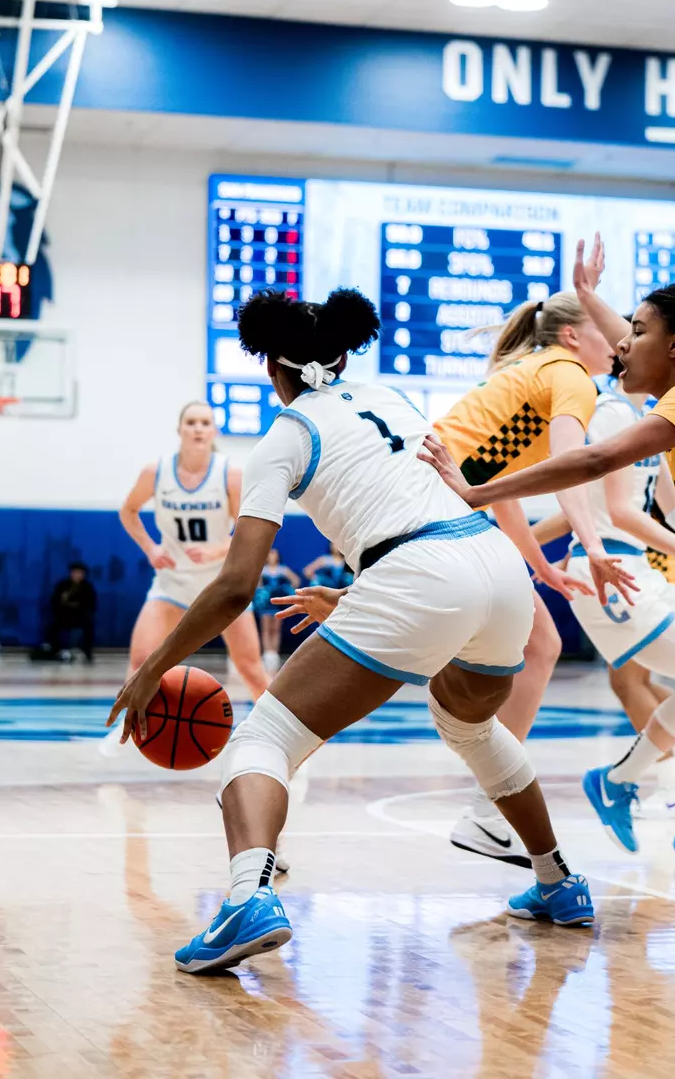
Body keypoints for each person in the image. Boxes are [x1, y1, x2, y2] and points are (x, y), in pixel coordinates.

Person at [109, 286, 609, 976]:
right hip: (496, 569)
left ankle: (248, 899)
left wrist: (146, 672)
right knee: (470, 725)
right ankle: (557, 881)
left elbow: (234, 584)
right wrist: (362, 593)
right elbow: (430, 502)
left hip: (419, 575)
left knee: (265, 737)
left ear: (270, 368)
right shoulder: (389, 395)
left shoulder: (282, 438)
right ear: (342, 356)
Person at [420, 240, 675, 979]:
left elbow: (597, 460)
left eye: (635, 330)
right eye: (618, 327)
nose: (621, 343)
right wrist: (587, 292)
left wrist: (479, 491)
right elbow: (636, 349)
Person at [430, 272, 637, 866]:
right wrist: (593, 545)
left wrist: (540, 567)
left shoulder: (536, 374)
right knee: (530, 644)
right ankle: (485, 809)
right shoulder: (570, 376)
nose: (621, 342)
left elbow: (503, 491)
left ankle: (486, 813)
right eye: (610, 329)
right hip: (427, 506)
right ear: (574, 336)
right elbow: (574, 464)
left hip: (437, 504)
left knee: (539, 642)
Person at [535, 355, 675, 863]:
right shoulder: (612, 411)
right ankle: (633, 785)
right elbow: (615, 512)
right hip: (613, 572)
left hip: (635, 567)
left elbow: (673, 507)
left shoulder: (653, 419)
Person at [101, 402, 268, 756]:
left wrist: (215, 550)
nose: (197, 428)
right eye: (191, 422)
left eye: (205, 423)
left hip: (219, 584)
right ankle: (125, 730)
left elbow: (246, 528)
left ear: (213, 431)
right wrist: (149, 548)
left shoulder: (229, 473)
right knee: (141, 660)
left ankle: (279, 735)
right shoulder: (156, 471)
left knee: (250, 668)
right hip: (172, 582)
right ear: (179, 429)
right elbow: (128, 511)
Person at [35, 561, 97, 662]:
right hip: (64, 615)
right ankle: (56, 651)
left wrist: (79, 607)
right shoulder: (62, 585)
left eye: (80, 573)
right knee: (52, 627)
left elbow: (91, 604)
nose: (77, 575)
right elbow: (54, 601)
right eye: (75, 573)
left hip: (80, 616)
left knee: (89, 625)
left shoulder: (87, 587)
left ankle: (87, 652)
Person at [254, 548, 300, 674]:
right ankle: (267, 653)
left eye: (274, 554)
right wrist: (262, 592)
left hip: (278, 603)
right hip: (265, 603)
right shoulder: (263, 570)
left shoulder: (282, 569)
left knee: (276, 629)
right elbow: (256, 585)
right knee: (266, 629)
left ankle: (274, 653)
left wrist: (286, 589)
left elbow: (295, 580)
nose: (272, 557)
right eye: (270, 555)